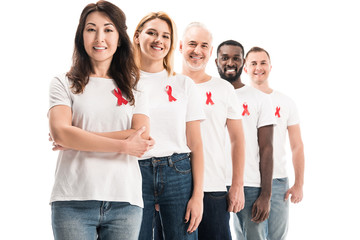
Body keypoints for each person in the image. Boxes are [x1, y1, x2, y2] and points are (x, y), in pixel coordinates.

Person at [48, 1, 154, 239]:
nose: (99, 38)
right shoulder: (63, 82)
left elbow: (142, 134)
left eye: (108, 29)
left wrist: (79, 136)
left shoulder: (137, 86)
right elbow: (61, 134)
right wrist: (123, 145)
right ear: (81, 35)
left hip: (124, 202)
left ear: (119, 37)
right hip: (72, 200)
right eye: (91, 29)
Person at [133, 12, 205, 240]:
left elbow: (196, 144)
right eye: (151, 33)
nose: (159, 40)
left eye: (166, 36)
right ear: (136, 36)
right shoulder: (123, 81)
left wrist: (197, 196)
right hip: (134, 171)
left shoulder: (183, 83)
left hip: (178, 172)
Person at [179, 22, 246, 240]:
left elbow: (237, 140)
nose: (197, 51)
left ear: (210, 52)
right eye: (192, 44)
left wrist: (237, 185)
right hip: (174, 189)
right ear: (180, 46)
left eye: (204, 45)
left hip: (214, 188)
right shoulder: (168, 84)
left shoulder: (223, 89)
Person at [215, 40, 276, 240]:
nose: (230, 62)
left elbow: (267, 149)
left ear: (244, 63)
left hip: (250, 184)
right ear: (216, 61)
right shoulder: (208, 93)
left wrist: (266, 194)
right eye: (225, 58)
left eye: (236, 58)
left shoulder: (260, 99)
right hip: (212, 182)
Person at [244, 46, 305, 240]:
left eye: (263, 63)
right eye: (253, 63)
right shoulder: (236, 99)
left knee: (277, 236)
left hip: (278, 181)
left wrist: (299, 184)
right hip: (247, 180)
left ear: (271, 66)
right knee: (248, 236)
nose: (258, 67)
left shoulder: (285, 102)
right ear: (245, 68)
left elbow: (297, 145)